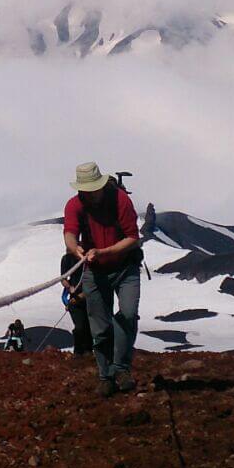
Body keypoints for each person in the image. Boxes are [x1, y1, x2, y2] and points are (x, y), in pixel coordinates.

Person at [62, 161, 142, 397]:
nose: (90, 194)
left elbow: (132, 237)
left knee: (127, 314)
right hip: (94, 273)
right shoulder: (75, 205)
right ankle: (105, 375)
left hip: (125, 268)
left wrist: (104, 252)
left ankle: (122, 369)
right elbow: (69, 232)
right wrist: (74, 248)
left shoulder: (120, 200)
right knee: (100, 326)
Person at [60, 249, 111, 358]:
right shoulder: (66, 259)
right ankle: (78, 352)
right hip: (75, 299)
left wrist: (81, 295)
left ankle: (88, 351)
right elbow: (63, 278)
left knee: (89, 325)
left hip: (90, 296)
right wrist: (69, 287)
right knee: (79, 326)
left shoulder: (90, 258)